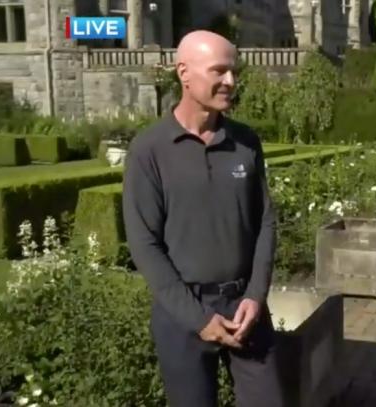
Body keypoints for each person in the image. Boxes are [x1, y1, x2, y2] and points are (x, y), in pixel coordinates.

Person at [122, 30, 282, 407]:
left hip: (246, 309)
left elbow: (266, 222)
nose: (231, 81)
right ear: (184, 73)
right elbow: (145, 244)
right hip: (183, 317)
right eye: (220, 71)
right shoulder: (150, 150)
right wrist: (198, 318)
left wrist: (255, 296)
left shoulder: (245, 141)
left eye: (234, 71)